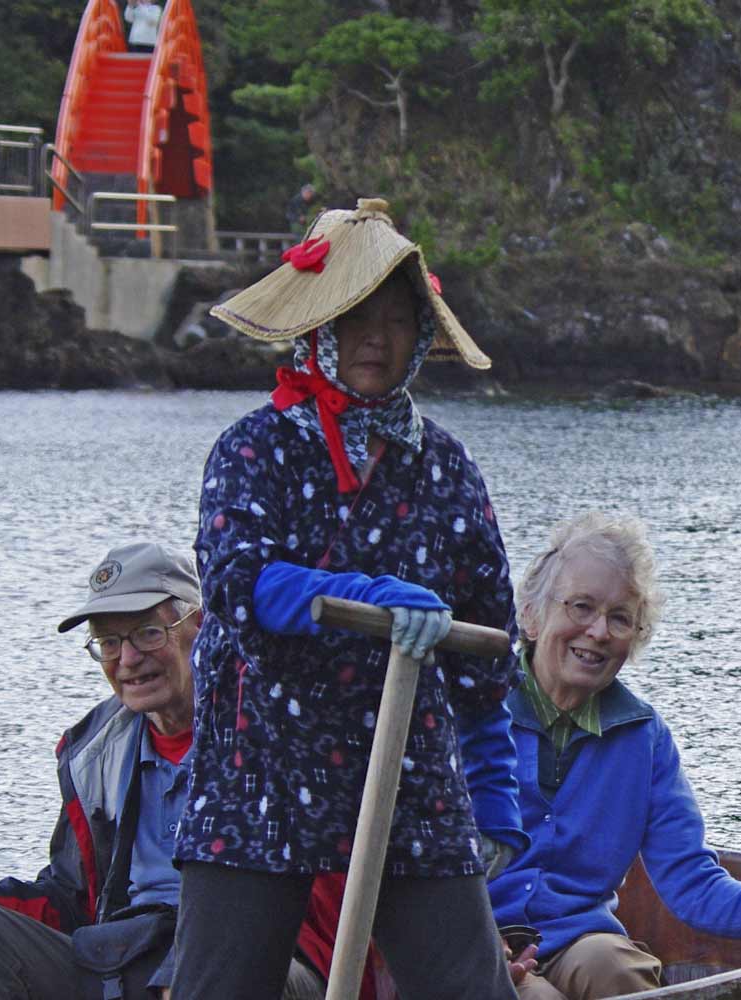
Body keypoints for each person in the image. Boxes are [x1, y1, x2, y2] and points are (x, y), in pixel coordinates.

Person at [175, 198, 522, 999]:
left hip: (407, 762)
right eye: (354, 316)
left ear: (421, 336)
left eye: (397, 319)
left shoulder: (446, 467)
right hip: (260, 759)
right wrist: (359, 593)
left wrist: (496, 789)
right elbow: (238, 582)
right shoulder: (253, 449)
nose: (375, 337)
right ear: (317, 327)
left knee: (471, 989)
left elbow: (487, 636)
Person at [490, 513, 741, 1000]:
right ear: (532, 615)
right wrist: (470, 940)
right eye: (581, 607)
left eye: (620, 618)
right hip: (471, 938)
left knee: (616, 969)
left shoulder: (643, 737)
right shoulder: (475, 710)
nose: (599, 631)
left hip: (581, 941)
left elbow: (691, 881)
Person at [0, 543, 321, 999]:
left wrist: (186, 971)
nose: (127, 660)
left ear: (201, 627)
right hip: (124, 959)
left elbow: (322, 902)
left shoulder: (271, 726)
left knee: (218, 974)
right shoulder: (93, 752)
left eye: (148, 633)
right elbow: (72, 897)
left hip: (265, 964)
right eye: (109, 642)